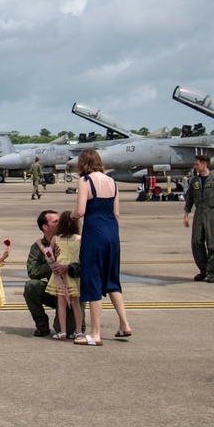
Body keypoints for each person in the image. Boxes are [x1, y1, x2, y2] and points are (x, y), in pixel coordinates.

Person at [71, 148, 132, 346]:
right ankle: (124, 324)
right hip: (112, 233)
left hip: (95, 233)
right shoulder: (112, 181)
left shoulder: (85, 181)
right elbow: (117, 213)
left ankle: (95, 333)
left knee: (93, 280)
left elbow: (81, 211)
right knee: (112, 279)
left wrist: (71, 215)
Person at [23, 210, 82, 337]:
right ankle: (42, 324)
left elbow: (87, 266)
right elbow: (32, 272)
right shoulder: (37, 247)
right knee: (31, 286)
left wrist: (68, 267)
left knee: (64, 329)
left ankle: (78, 325)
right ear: (45, 227)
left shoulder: (76, 240)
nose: (60, 223)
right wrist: (52, 264)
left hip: (72, 289)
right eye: (55, 221)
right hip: (53, 289)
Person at [184, 154, 214, 283]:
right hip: (199, 213)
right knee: (196, 242)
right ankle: (203, 269)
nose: (195, 166)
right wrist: (186, 215)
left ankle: (211, 273)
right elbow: (189, 199)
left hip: (212, 213)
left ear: (204, 164)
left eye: (197, 164)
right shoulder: (194, 181)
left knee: (212, 244)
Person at [45, 211, 84, 340]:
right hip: (73, 274)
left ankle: (62, 331)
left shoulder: (56, 238)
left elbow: (49, 254)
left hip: (60, 274)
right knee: (76, 303)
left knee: (61, 304)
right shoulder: (78, 238)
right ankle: (78, 330)